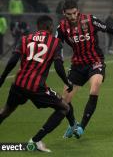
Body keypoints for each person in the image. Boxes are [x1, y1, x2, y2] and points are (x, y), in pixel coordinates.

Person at [55, 0, 113, 139]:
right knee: (64, 101)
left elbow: (108, 28)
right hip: (77, 65)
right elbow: (55, 45)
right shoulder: (61, 28)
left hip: (95, 62)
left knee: (95, 87)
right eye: (69, 14)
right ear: (64, 13)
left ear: (78, 11)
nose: (72, 16)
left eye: (74, 13)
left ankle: (81, 127)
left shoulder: (90, 20)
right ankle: (73, 124)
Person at [0, 15, 73, 152]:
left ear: (38, 26)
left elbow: (12, 61)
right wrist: (67, 82)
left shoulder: (24, 39)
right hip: (36, 87)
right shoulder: (55, 42)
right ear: (48, 27)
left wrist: (3, 78)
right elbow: (58, 67)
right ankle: (36, 140)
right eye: (52, 26)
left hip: (18, 84)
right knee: (64, 108)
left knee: (5, 111)